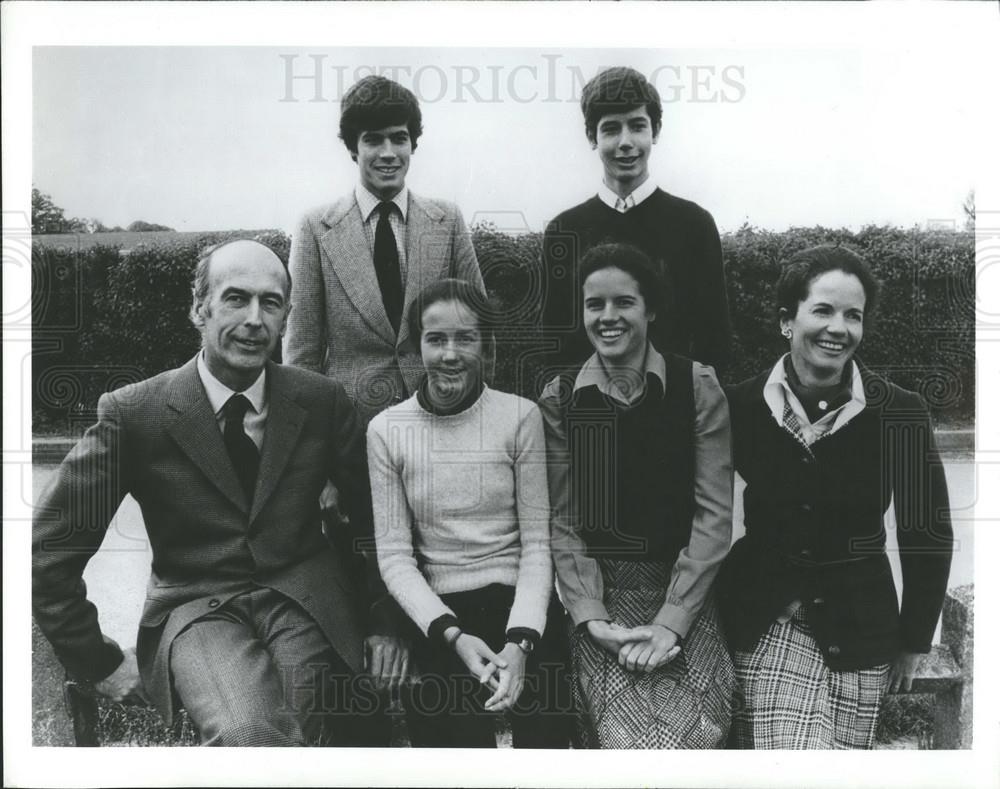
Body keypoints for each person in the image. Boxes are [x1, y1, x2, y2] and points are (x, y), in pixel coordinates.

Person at [32, 240, 405, 746]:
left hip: (307, 602)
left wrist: (384, 620)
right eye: (236, 298)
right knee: (247, 731)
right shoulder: (134, 414)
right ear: (198, 307)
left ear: (286, 317)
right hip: (197, 609)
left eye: (270, 303)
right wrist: (97, 660)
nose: (255, 319)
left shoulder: (320, 402)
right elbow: (48, 550)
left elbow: (374, 521)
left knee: (309, 720)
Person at [718, 244, 954, 749]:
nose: (839, 328)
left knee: (847, 767)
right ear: (788, 319)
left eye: (853, 315)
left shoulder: (900, 412)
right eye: (822, 310)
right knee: (793, 761)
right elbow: (701, 512)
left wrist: (914, 638)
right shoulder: (738, 404)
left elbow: (926, 530)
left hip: (863, 627)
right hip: (767, 619)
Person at [538, 243, 735, 749]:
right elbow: (563, 521)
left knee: (697, 737)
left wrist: (672, 622)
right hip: (603, 599)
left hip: (685, 593)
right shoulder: (561, 398)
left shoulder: (697, 385)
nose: (608, 317)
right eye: (594, 304)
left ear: (650, 309)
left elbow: (714, 515)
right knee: (622, 742)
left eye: (624, 302)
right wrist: (592, 617)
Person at [367, 279, 572, 748]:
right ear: (416, 346)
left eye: (466, 338)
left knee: (549, 751)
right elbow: (395, 558)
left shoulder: (520, 418)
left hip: (521, 609)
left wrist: (520, 644)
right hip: (441, 618)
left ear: (488, 345)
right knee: (451, 759)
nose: (450, 354)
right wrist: (453, 637)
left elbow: (538, 546)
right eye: (436, 339)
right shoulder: (386, 430)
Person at [284, 74, 486, 425]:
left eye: (399, 138)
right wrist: (314, 441)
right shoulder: (316, 228)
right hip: (349, 431)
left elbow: (481, 328)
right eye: (374, 140)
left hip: (441, 417)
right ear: (352, 148)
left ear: (413, 144)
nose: (389, 153)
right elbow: (301, 353)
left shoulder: (448, 220)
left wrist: (473, 412)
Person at [540, 66, 730, 382]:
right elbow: (556, 344)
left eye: (637, 126)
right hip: (592, 416)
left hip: (675, 412)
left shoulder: (694, 225)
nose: (626, 142)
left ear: (655, 131)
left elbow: (714, 341)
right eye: (611, 129)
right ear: (592, 137)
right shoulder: (565, 230)